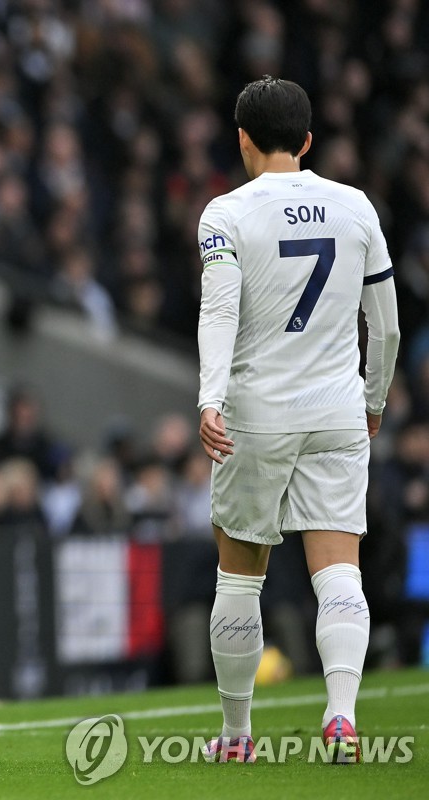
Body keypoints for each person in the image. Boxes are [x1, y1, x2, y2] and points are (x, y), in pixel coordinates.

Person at [196, 76, 400, 763]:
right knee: (340, 574)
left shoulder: (225, 214)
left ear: (243, 140)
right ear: (309, 141)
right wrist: (373, 401)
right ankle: (341, 718)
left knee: (239, 576)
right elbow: (388, 325)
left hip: (257, 413)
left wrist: (209, 399)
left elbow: (220, 310)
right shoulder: (355, 207)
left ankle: (235, 736)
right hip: (339, 410)